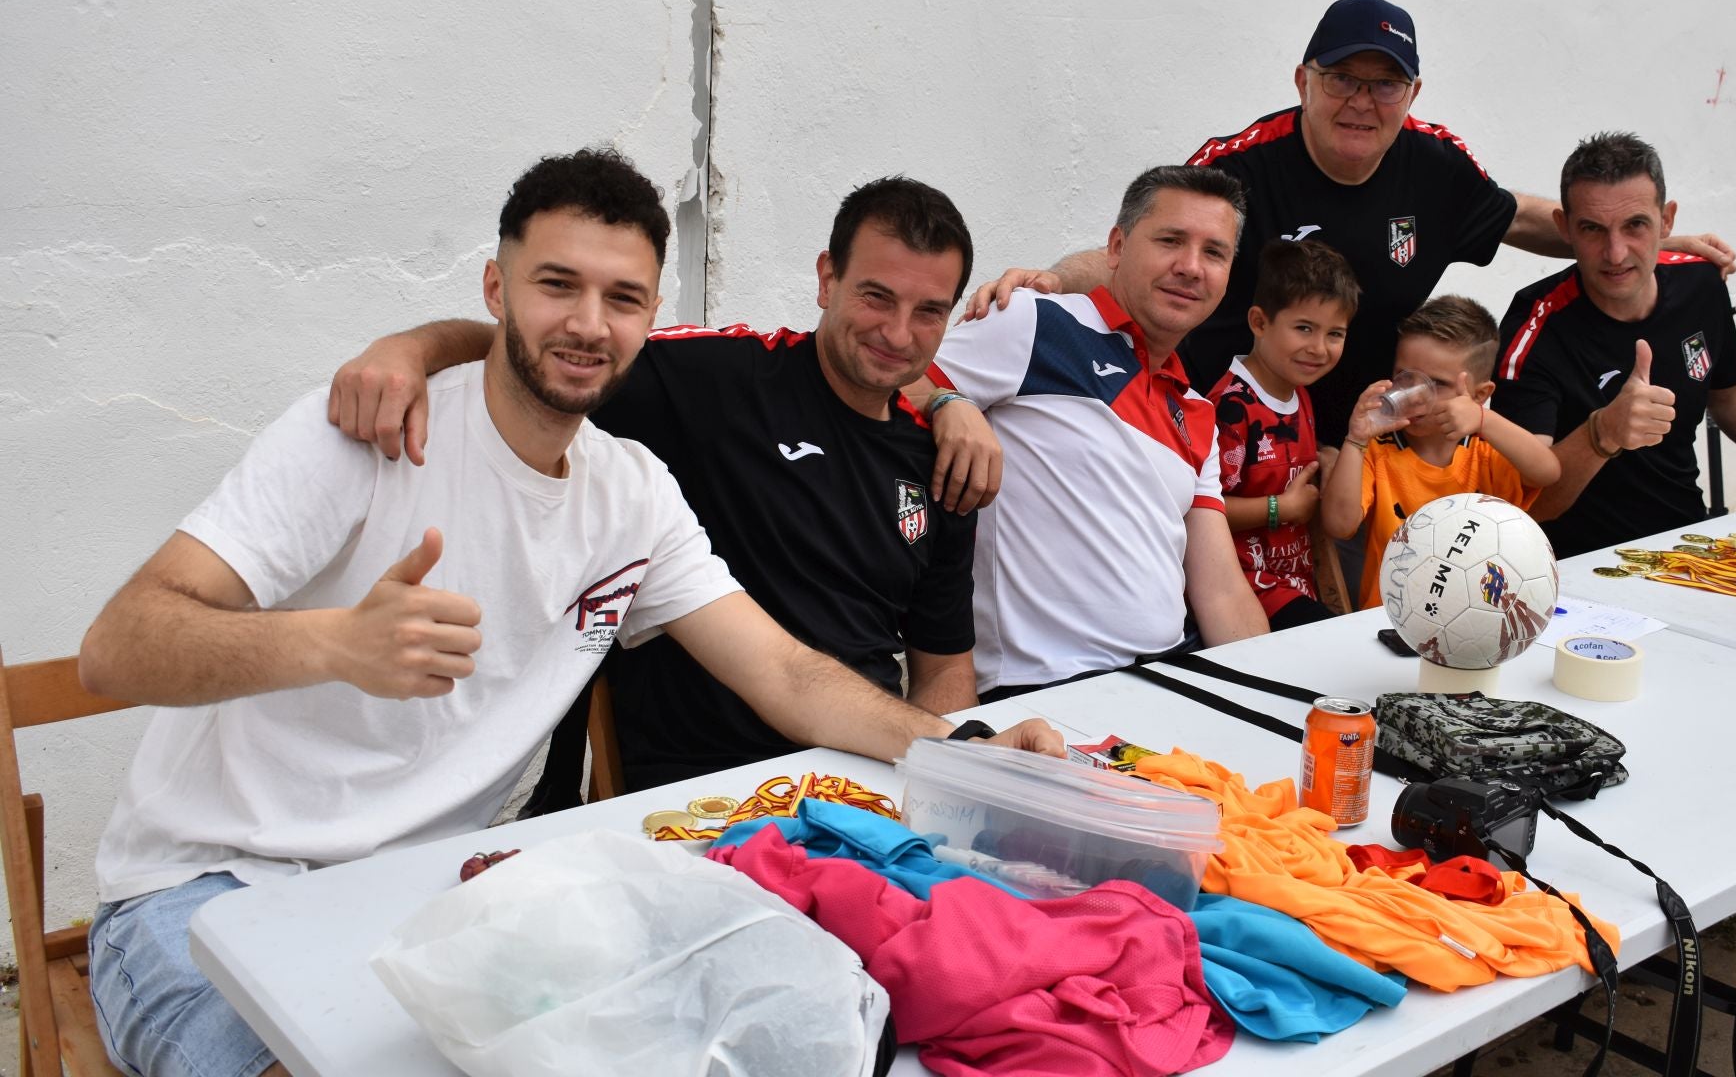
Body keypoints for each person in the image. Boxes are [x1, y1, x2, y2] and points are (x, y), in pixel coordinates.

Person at [79, 149, 1060, 1077]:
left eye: (622, 296)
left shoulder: (630, 490)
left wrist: (957, 747)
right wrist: (335, 642)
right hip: (210, 888)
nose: (589, 322)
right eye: (558, 284)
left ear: (650, 316)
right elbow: (116, 648)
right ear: (496, 289)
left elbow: (787, 673)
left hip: (441, 883)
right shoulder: (368, 434)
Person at [328, 176, 987, 794]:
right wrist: (409, 349)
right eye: (876, 297)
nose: (898, 333)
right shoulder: (716, 380)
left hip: (870, 767)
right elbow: (552, 351)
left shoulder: (945, 457)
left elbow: (945, 667)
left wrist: (953, 783)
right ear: (826, 278)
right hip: (703, 788)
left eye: (928, 311)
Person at [964, 0, 1735, 452]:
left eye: (1385, 84)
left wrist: (1641, 241)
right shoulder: (1242, 166)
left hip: (1371, 447)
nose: (1361, 102)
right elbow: (1149, 251)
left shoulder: (1436, 165)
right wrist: (1051, 279)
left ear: (1413, 93)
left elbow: (1518, 217)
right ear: (1303, 79)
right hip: (1228, 446)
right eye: (1341, 79)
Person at [916, 165, 1270, 699]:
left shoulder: (1197, 409)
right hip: (1043, 691)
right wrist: (947, 400)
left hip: (1171, 676)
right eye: (1170, 241)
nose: (1191, 267)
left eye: (1214, 252)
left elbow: (1219, 590)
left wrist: (1270, 687)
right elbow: (888, 380)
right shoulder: (1036, 322)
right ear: (1118, 246)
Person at [1492, 132, 1736, 557]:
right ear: (1564, 228)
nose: (1615, 253)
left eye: (1635, 226)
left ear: (1667, 221)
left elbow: (1729, 390)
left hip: (1687, 546)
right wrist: (1601, 435)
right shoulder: (1532, 327)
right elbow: (1524, 505)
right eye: (1593, 229)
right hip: (1575, 571)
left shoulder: (1700, 282)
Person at [1322, 295, 1561, 608]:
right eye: (1405, 377)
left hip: (1477, 618)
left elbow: (1548, 471)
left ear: (1479, 394)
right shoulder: (1377, 452)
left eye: (1437, 383)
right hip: (1393, 623)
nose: (1416, 395)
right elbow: (1339, 524)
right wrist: (1355, 440)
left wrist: (1484, 419)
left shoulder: (1486, 453)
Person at [1206, 238, 1360, 629]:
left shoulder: (1299, 393)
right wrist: (1281, 509)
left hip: (1296, 583)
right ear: (1259, 322)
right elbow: (1198, 510)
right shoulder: (1230, 407)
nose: (1319, 348)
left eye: (1335, 334)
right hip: (1245, 592)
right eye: (1304, 328)